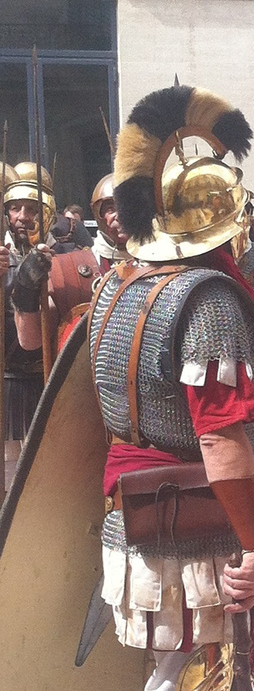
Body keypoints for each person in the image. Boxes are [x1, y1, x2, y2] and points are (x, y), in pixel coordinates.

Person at [89, 84, 254, 691]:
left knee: (202, 660)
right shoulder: (206, 301)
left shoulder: (120, 285)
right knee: (194, 666)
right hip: (194, 516)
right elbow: (222, 439)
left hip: (142, 510)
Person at [13, 173, 136, 356]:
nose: (120, 215)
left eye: (129, 206)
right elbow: (31, 341)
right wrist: (26, 288)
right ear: (98, 214)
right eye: (110, 208)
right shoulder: (66, 268)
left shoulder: (164, 267)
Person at [3, 162, 56, 483]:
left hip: (52, 379)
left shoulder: (69, 255)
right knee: (10, 475)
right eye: (15, 208)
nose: (23, 216)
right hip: (8, 381)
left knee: (49, 473)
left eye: (32, 209)